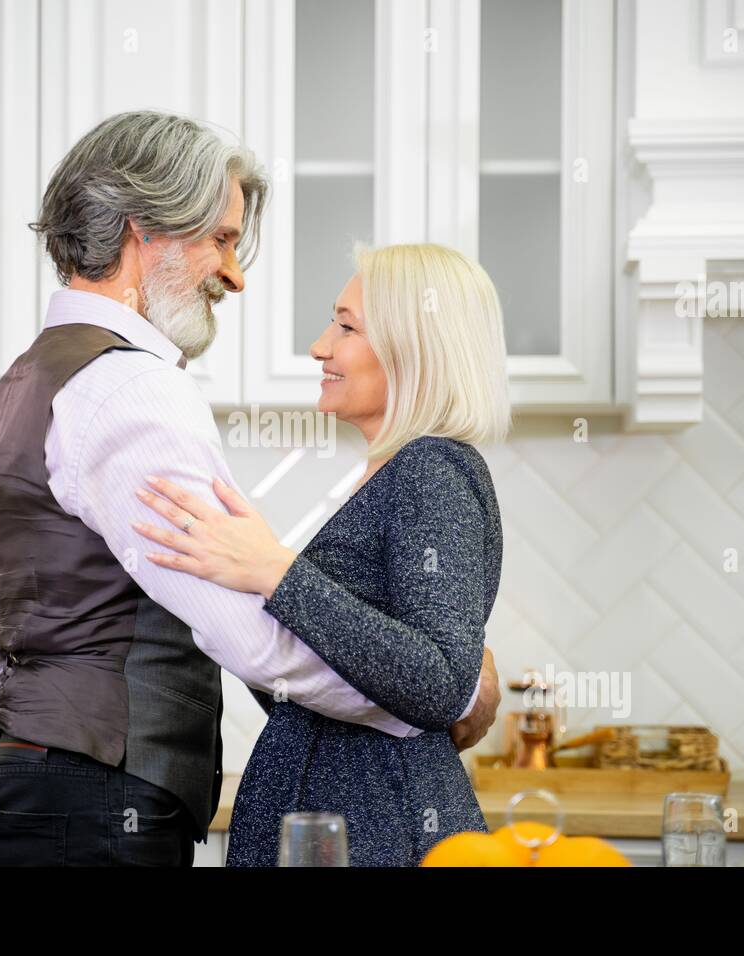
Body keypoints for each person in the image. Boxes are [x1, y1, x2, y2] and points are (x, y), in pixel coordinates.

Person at [0, 111, 500, 867]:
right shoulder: (136, 391)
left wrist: (46, 725)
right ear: (147, 232)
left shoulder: (19, 388)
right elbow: (254, 641)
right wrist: (447, 692)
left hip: (18, 799)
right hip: (104, 814)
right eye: (223, 239)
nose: (235, 274)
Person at [133, 242, 511, 866]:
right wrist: (248, 589)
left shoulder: (433, 471)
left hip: (381, 827)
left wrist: (273, 570)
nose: (319, 346)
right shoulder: (396, 473)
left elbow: (440, 683)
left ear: (411, 348)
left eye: (345, 326)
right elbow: (327, 683)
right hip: (348, 822)